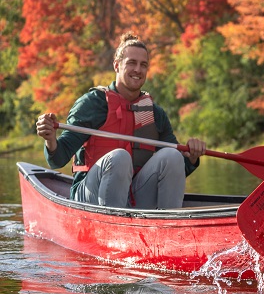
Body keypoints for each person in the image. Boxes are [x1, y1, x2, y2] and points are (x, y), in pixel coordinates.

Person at [36, 32, 206, 209]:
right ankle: (112, 224)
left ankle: (169, 226)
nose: (138, 70)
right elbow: (57, 159)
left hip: (133, 195)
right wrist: (50, 138)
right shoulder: (92, 104)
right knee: (120, 157)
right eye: (132, 63)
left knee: (172, 155)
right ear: (117, 66)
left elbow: (176, 169)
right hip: (88, 197)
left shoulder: (154, 114)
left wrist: (191, 157)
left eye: (143, 65)